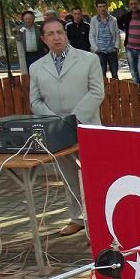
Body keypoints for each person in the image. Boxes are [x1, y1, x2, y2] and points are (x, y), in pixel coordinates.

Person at [29, 17, 104, 237]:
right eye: (50, 34)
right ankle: (78, 218)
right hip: (57, 132)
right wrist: (55, 121)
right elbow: (35, 101)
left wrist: (73, 118)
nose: (56, 37)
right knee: (69, 176)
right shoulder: (36, 67)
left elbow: (97, 92)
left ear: (66, 34)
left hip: (86, 126)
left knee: (92, 176)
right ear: (44, 39)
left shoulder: (89, 59)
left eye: (60, 32)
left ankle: (99, 222)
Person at [118, 0, 140, 84]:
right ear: (129, 6)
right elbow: (118, 23)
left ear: (139, 4)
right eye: (131, 4)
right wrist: (125, 28)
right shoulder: (127, 16)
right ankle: (137, 94)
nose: (133, 6)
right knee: (133, 72)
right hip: (130, 48)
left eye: (135, 4)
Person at [89, 0, 120, 79]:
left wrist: (116, 47)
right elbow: (91, 35)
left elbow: (117, 33)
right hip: (100, 51)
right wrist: (95, 48)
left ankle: (116, 91)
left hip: (111, 50)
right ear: (97, 8)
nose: (102, 9)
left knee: (114, 73)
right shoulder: (94, 20)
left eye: (104, 6)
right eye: (100, 7)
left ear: (107, 7)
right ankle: (103, 91)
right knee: (101, 74)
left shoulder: (113, 20)